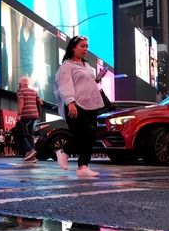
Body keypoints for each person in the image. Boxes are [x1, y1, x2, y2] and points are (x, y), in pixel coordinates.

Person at [54, 35, 106, 177]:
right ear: (73, 48)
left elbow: (85, 84)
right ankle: (64, 151)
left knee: (91, 136)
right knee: (83, 134)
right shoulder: (67, 65)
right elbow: (66, 85)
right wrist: (70, 102)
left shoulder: (87, 66)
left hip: (90, 104)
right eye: (82, 46)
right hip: (75, 104)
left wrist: (98, 78)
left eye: (86, 46)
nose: (85, 49)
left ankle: (83, 166)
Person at [17, 76, 43, 162]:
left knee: (21, 134)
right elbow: (40, 101)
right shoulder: (33, 91)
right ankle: (32, 156)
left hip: (26, 115)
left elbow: (21, 101)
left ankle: (29, 150)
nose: (19, 85)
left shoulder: (20, 91)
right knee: (29, 135)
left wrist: (19, 114)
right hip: (34, 115)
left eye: (19, 83)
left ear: (22, 84)